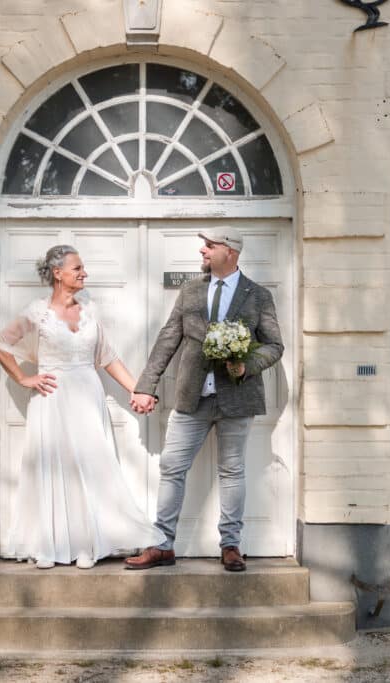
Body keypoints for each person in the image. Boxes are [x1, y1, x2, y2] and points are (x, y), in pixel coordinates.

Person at [0, 245, 164, 569]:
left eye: (83, 268)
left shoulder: (90, 311)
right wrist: (22, 379)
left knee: (92, 466)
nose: (84, 273)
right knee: (53, 466)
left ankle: (88, 544)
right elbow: (1, 345)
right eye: (77, 268)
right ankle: (49, 545)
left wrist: (137, 391)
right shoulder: (36, 312)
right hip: (53, 399)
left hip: (87, 395)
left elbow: (109, 357)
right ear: (57, 273)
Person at [126, 227, 284, 572]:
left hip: (238, 398)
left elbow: (275, 346)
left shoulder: (257, 296)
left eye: (209, 246)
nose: (202, 251)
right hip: (192, 398)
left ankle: (230, 544)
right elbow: (169, 336)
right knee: (171, 467)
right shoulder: (190, 291)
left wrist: (247, 365)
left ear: (230, 251)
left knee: (232, 471)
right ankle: (164, 544)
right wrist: (145, 385)